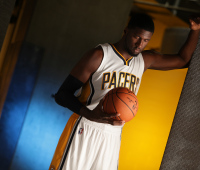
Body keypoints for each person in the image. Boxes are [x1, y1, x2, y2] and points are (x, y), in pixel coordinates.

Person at [49, 13, 200, 170]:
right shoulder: (99, 55)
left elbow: (184, 60)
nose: (140, 44)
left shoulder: (144, 60)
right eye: (137, 37)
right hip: (86, 127)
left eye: (146, 40)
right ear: (126, 31)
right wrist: (90, 114)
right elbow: (62, 95)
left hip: (113, 135)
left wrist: (195, 30)